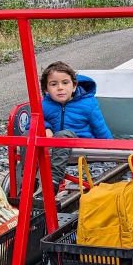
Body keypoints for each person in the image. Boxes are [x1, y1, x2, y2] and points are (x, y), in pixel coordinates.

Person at [40, 61, 113, 194]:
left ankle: (53, 181)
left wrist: (112, 150)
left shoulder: (87, 104)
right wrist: (46, 127)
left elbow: (100, 128)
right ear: (46, 90)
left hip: (81, 146)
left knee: (63, 134)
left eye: (65, 83)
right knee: (29, 134)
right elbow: (32, 123)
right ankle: (27, 176)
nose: (60, 88)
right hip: (55, 149)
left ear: (74, 86)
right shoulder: (44, 105)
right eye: (54, 84)